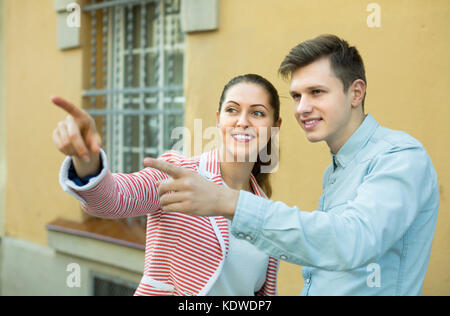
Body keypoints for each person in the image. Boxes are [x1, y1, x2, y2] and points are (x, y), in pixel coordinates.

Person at [146, 35, 440, 296]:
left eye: (316, 92)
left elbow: (353, 240)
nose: (302, 107)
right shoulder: (338, 171)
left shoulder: (400, 156)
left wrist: (228, 201)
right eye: (297, 95)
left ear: (356, 93)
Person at [52, 74, 282, 296]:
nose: (242, 121)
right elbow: (113, 199)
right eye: (232, 110)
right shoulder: (179, 174)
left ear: (275, 125)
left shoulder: (265, 211)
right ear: (218, 119)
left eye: (257, 113)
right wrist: (86, 159)